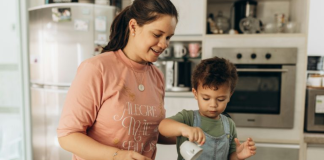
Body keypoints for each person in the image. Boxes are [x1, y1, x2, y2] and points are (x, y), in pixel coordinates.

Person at [57, 0, 178, 160]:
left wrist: (193, 134)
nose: (164, 44)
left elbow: (148, 130)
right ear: (133, 26)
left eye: (168, 37)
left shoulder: (157, 77)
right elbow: (68, 135)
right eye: (157, 35)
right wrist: (118, 156)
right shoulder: (97, 69)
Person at [158, 57, 257, 160]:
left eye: (221, 99)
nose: (213, 104)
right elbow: (162, 126)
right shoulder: (188, 118)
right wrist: (184, 129)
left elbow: (230, 156)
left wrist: (238, 156)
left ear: (229, 96)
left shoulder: (229, 125)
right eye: (206, 98)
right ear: (195, 94)